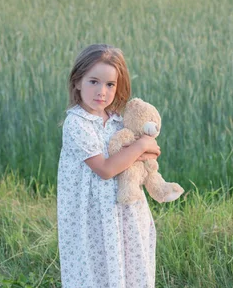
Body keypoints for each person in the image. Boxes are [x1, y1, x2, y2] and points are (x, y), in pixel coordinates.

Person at [57, 44, 161, 288]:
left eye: (110, 85)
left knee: (130, 265)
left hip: (125, 210)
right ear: (77, 82)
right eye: (93, 81)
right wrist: (139, 147)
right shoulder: (77, 124)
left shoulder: (117, 120)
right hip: (91, 215)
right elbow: (105, 169)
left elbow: (152, 151)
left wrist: (142, 147)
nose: (101, 91)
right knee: (96, 269)